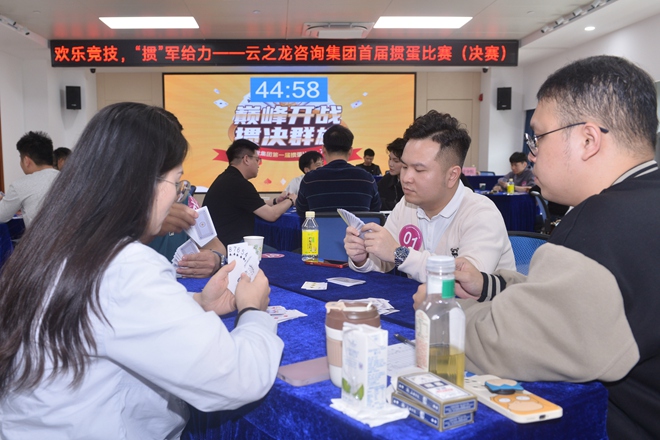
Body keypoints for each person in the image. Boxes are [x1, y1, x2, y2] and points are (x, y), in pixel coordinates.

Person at [0, 103, 284, 439]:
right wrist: (253, 312)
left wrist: (199, 304)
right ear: (143, 183)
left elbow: (102, 318)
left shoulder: (55, 243)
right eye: (176, 181)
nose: (177, 195)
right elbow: (235, 379)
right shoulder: (124, 264)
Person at [414, 56, 660, 439]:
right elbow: (571, 303)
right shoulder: (642, 205)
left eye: (539, 137)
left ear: (588, 140)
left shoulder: (600, 225)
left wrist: (441, 312)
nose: (531, 154)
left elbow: (505, 345)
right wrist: (490, 286)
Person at [345, 110, 515, 282]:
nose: (406, 178)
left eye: (419, 170)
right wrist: (363, 257)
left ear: (452, 175)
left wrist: (399, 254)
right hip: (422, 298)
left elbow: (464, 281)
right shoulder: (406, 205)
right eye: (404, 167)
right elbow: (383, 260)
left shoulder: (482, 214)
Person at [204, 139, 296, 246]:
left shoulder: (227, 178)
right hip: (233, 246)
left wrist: (276, 201)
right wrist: (291, 200)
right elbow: (272, 215)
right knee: (281, 250)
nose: (258, 165)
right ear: (246, 159)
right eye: (257, 160)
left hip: (220, 243)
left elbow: (254, 204)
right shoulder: (239, 184)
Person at [296, 124, 381, 215]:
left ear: (323, 149)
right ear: (350, 151)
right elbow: (374, 212)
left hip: (320, 225)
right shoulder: (367, 179)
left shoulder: (309, 180)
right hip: (358, 225)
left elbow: (302, 213)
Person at [0, 131, 59, 227]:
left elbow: (1, 216)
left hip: (41, 236)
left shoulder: (21, 185)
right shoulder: (68, 178)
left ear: (27, 161)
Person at [377, 138, 405, 210]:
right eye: (390, 159)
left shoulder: (415, 183)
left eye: (396, 161)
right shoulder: (386, 180)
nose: (390, 164)